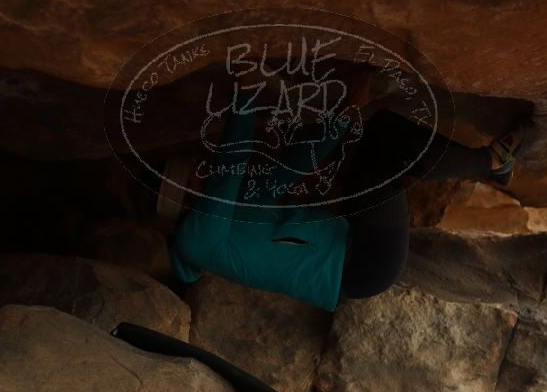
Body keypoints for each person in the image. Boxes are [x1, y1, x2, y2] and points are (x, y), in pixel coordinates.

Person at [168, 69, 527, 311]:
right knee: (379, 171)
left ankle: (493, 168)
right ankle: (491, 164)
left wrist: (347, 109)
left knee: (382, 130)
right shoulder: (196, 243)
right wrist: (245, 94)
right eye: (196, 179)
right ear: (184, 200)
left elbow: (295, 164)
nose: (205, 175)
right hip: (364, 266)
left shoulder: (242, 208)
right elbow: (228, 168)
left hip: (356, 238)